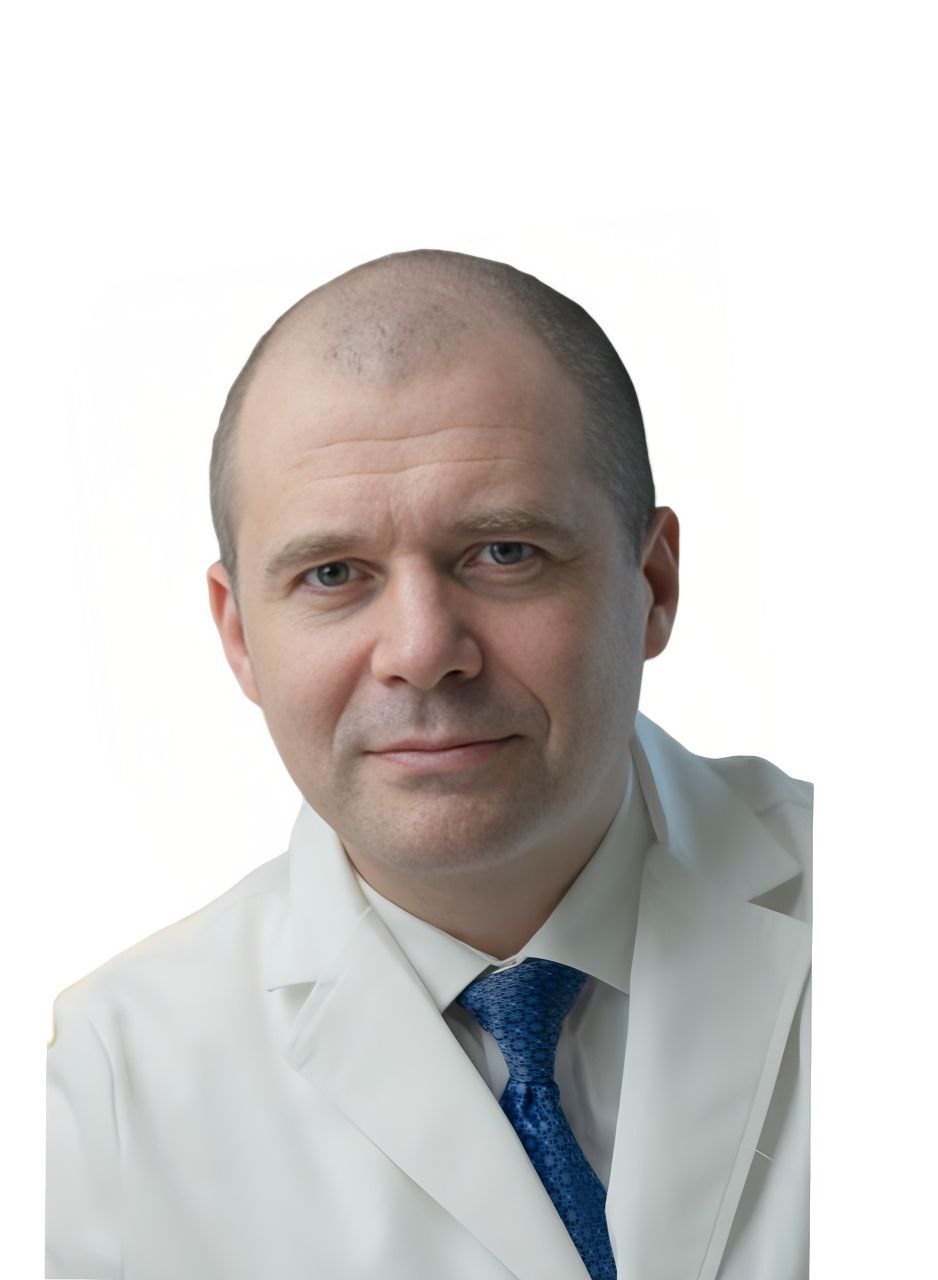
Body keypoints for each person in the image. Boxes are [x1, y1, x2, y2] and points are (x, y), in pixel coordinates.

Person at [45, 249, 811, 1280]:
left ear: (653, 583)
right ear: (238, 636)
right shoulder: (109, 1094)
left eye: (504, 553)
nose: (421, 650)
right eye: (332, 573)